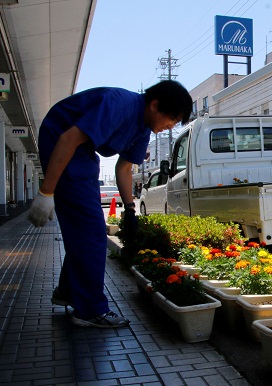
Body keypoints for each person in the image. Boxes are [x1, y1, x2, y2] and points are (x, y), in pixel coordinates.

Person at [27, 80, 193, 328]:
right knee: (93, 232)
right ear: (154, 105)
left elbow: (124, 168)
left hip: (82, 152)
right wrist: (46, 192)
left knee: (84, 229)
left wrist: (130, 210)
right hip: (60, 135)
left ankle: (68, 291)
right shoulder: (120, 105)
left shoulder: (143, 130)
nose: (171, 126)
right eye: (171, 118)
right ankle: (89, 310)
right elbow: (69, 138)